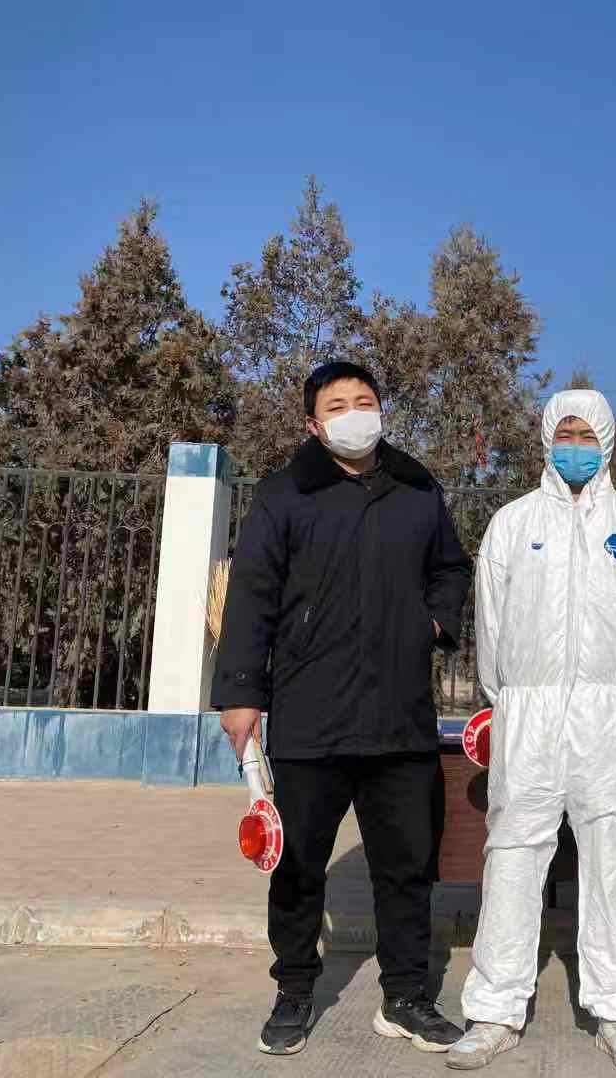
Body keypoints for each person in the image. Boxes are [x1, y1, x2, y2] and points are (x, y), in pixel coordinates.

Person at [213, 361, 471, 1057]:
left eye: (365, 401)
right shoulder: (285, 493)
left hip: (399, 716)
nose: (355, 414)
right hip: (310, 714)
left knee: (407, 867)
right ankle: (295, 990)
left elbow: (450, 567)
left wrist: (434, 623)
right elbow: (252, 593)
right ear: (313, 423)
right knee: (300, 865)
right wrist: (240, 693)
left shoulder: (416, 487)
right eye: (338, 405)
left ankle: (407, 996)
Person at [447, 390, 616, 1074]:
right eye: (565, 433)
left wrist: (615, 693)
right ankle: (494, 1010)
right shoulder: (513, 524)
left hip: (610, 715)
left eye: (587, 434)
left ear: (607, 441)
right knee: (513, 854)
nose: (576, 445)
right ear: (548, 440)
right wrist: (513, 699)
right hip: (530, 712)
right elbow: (491, 625)